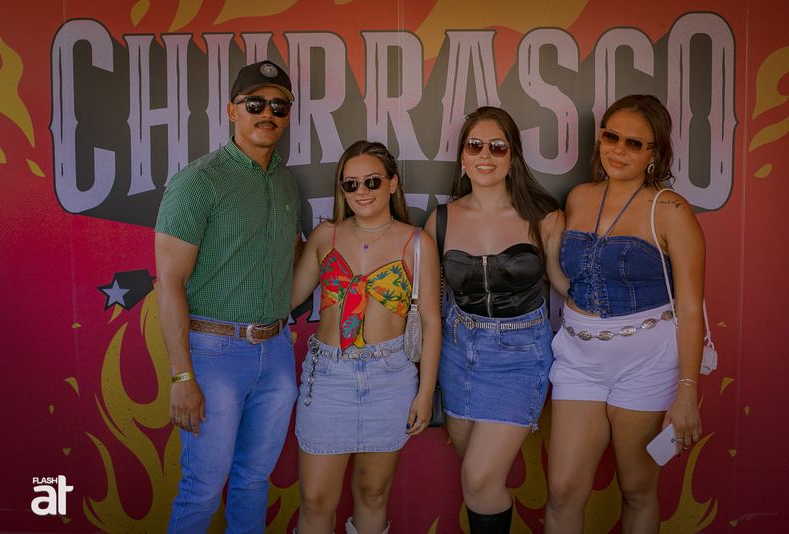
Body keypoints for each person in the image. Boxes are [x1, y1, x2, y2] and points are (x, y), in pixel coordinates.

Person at [544, 94, 705, 533]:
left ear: (655, 153)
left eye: (634, 143)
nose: (618, 150)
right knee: (562, 490)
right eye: (611, 137)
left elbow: (691, 308)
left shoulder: (670, 210)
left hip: (646, 362)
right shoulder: (579, 197)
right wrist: (552, 250)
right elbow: (572, 286)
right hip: (578, 357)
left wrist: (687, 392)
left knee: (636, 488)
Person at [154, 60, 301, 533]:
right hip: (214, 354)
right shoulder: (199, 181)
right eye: (255, 104)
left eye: (278, 106)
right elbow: (169, 282)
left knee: (253, 483)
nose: (267, 113)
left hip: (276, 354)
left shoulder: (286, 182)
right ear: (232, 111)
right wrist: (182, 375)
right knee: (201, 489)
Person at [424, 106, 567, 533]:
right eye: (475, 145)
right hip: (458, 354)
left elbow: (562, 282)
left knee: (479, 478)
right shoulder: (441, 220)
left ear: (513, 156)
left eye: (497, 146)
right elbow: (430, 303)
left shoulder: (544, 217)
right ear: (462, 156)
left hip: (519, 357)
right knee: (477, 477)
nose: (485, 155)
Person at [290, 141, 441, 534]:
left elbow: (431, 321)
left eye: (372, 181)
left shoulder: (418, 243)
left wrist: (425, 393)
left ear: (392, 183)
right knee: (315, 499)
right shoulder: (325, 236)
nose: (361, 191)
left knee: (373, 494)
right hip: (328, 378)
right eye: (351, 184)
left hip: (390, 378)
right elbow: (288, 298)